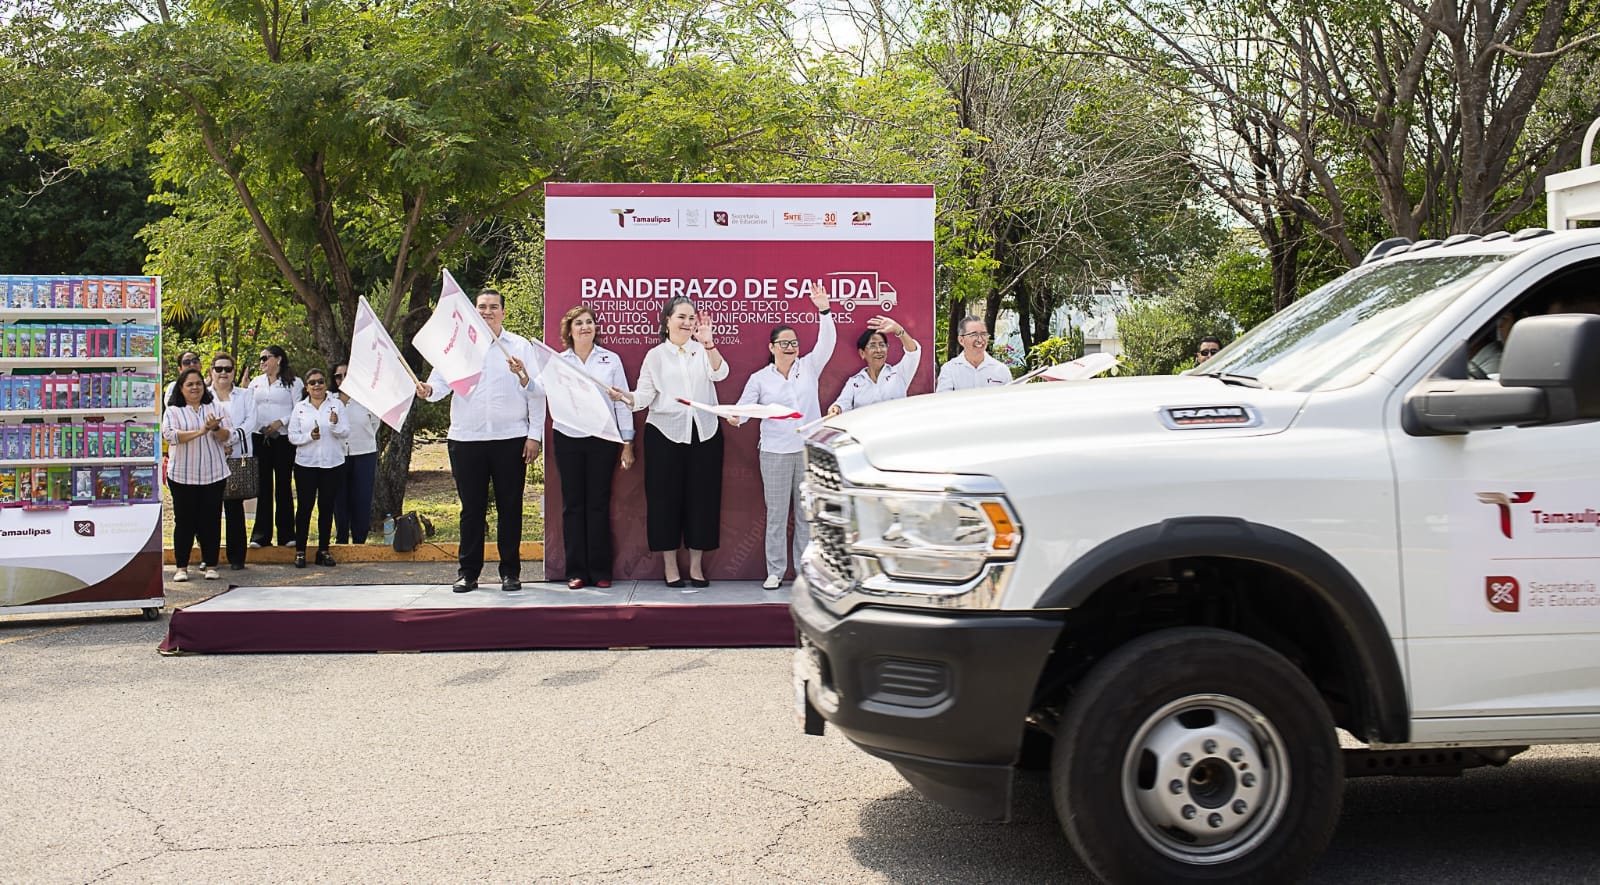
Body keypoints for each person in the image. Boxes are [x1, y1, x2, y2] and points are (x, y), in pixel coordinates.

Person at [415, 288, 545, 593]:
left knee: (510, 508)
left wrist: (534, 436)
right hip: (466, 439)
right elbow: (439, 384)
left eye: (493, 307)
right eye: (482, 307)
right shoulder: (457, 347)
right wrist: (428, 390)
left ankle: (510, 572)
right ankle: (468, 573)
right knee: (471, 509)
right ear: (473, 311)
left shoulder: (520, 347)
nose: (487, 312)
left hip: (511, 439)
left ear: (503, 312)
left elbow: (537, 392)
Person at [610, 296, 727, 589]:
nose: (688, 323)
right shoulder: (656, 356)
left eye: (692, 318)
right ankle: (671, 567)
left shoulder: (702, 351)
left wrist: (709, 343)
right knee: (664, 502)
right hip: (665, 434)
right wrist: (627, 398)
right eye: (682, 318)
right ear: (667, 322)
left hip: (705, 433)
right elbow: (645, 396)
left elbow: (720, 373)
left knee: (703, 501)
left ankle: (697, 567)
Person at [731, 282, 836, 589]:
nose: (790, 347)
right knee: (777, 515)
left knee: (806, 516)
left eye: (794, 343)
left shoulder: (810, 367)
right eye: (784, 343)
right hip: (774, 453)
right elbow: (745, 408)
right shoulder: (760, 378)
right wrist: (737, 417)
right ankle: (775, 571)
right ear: (772, 347)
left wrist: (824, 310)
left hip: (806, 451)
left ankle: (805, 572)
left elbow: (827, 342)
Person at [551, 306, 635, 590]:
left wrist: (627, 442)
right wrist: (524, 376)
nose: (585, 327)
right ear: (569, 329)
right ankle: (576, 571)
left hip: (603, 439)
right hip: (568, 437)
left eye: (589, 322)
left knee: (598, 505)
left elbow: (622, 402)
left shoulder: (610, 360)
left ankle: (600, 570)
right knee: (572, 506)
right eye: (579, 323)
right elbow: (539, 390)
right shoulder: (558, 361)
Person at [160, 367, 232, 583]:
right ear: (181, 389)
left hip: (213, 474)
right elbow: (170, 436)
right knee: (184, 522)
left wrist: (215, 429)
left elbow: (227, 436)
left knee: (210, 521)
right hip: (183, 475)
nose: (195, 388)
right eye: (189, 384)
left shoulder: (215, 406)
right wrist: (202, 431)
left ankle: (211, 565)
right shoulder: (173, 411)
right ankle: (181, 567)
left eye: (198, 383)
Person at [287, 368, 348, 568]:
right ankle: (300, 551)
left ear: (325, 384)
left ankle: (323, 550)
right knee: (304, 508)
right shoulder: (300, 408)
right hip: (307, 464)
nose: (317, 385)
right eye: (312, 382)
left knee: (326, 507)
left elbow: (345, 432)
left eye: (320, 381)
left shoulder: (336, 405)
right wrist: (308, 437)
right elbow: (292, 436)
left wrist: (334, 425)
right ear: (307, 387)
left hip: (331, 463)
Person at [247, 345, 303, 548]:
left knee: (283, 485)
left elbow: (299, 409)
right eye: (260, 359)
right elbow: (249, 407)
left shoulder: (294, 382)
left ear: (278, 359)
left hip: (283, 439)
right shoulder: (255, 383)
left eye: (265, 358)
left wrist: (280, 421)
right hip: (260, 438)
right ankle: (261, 535)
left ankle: (287, 534)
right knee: (263, 486)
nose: (262, 362)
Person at [207, 352, 255, 571]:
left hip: (236, 455)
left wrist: (229, 438)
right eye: (219, 369)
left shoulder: (246, 395)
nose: (223, 373)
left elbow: (250, 422)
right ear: (211, 372)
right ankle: (210, 557)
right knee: (210, 510)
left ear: (234, 371)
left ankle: (237, 557)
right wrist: (219, 441)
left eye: (228, 369)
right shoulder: (204, 396)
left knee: (235, 508)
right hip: (210, 456)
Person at [331, 362, 384, 545]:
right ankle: (342, 539)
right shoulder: (330, 400)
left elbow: (375, 423)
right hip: (338, 455)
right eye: (338, 376)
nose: (343, 379)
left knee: (361, 497)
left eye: (346, 374)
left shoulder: (366, 398)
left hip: (364, 453)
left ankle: (360, 540)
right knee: (339, 498)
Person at [827, 315, 920, 415]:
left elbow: (913, 353)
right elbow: (843, 403)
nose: (879, 350)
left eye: (882, 345)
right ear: (862, 353)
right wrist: (836, 407)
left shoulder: (899, 374)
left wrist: (897, 329)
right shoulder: (855, 382)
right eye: (872, 346)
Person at [935, 316, 1010, 391]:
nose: (980, 339)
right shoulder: (949, 370)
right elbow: (944, 400)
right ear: (961, 340)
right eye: (974, 335)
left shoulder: (1001, 370)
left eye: (983, 334)